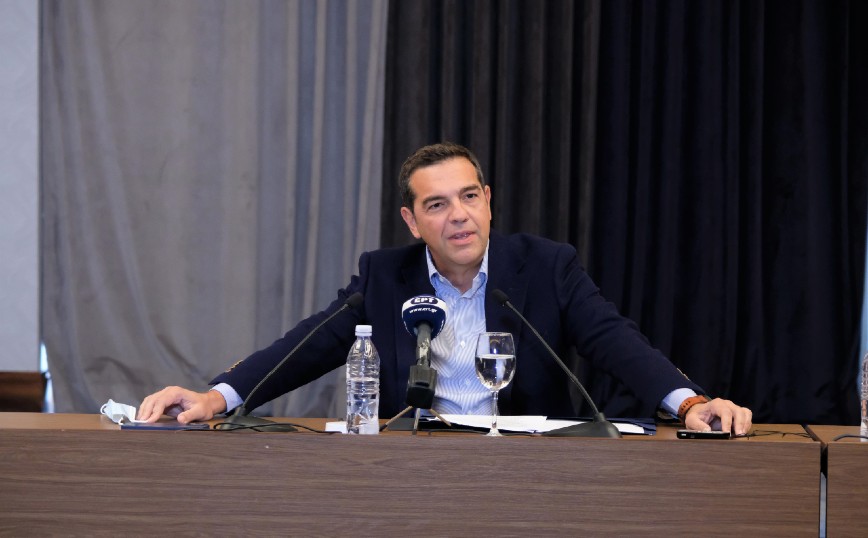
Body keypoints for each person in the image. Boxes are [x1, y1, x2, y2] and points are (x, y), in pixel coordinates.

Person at [138, 142, 752, 434]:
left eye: (468, 197)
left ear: (488, 201)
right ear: (412, 222)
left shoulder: (545, 267)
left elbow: (615, 341)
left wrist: (689, 404)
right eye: (437, 205)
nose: (458, 216)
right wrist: (216, 397)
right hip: (412, 470)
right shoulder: (384, 277)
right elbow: (307, 345)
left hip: (530, 472)